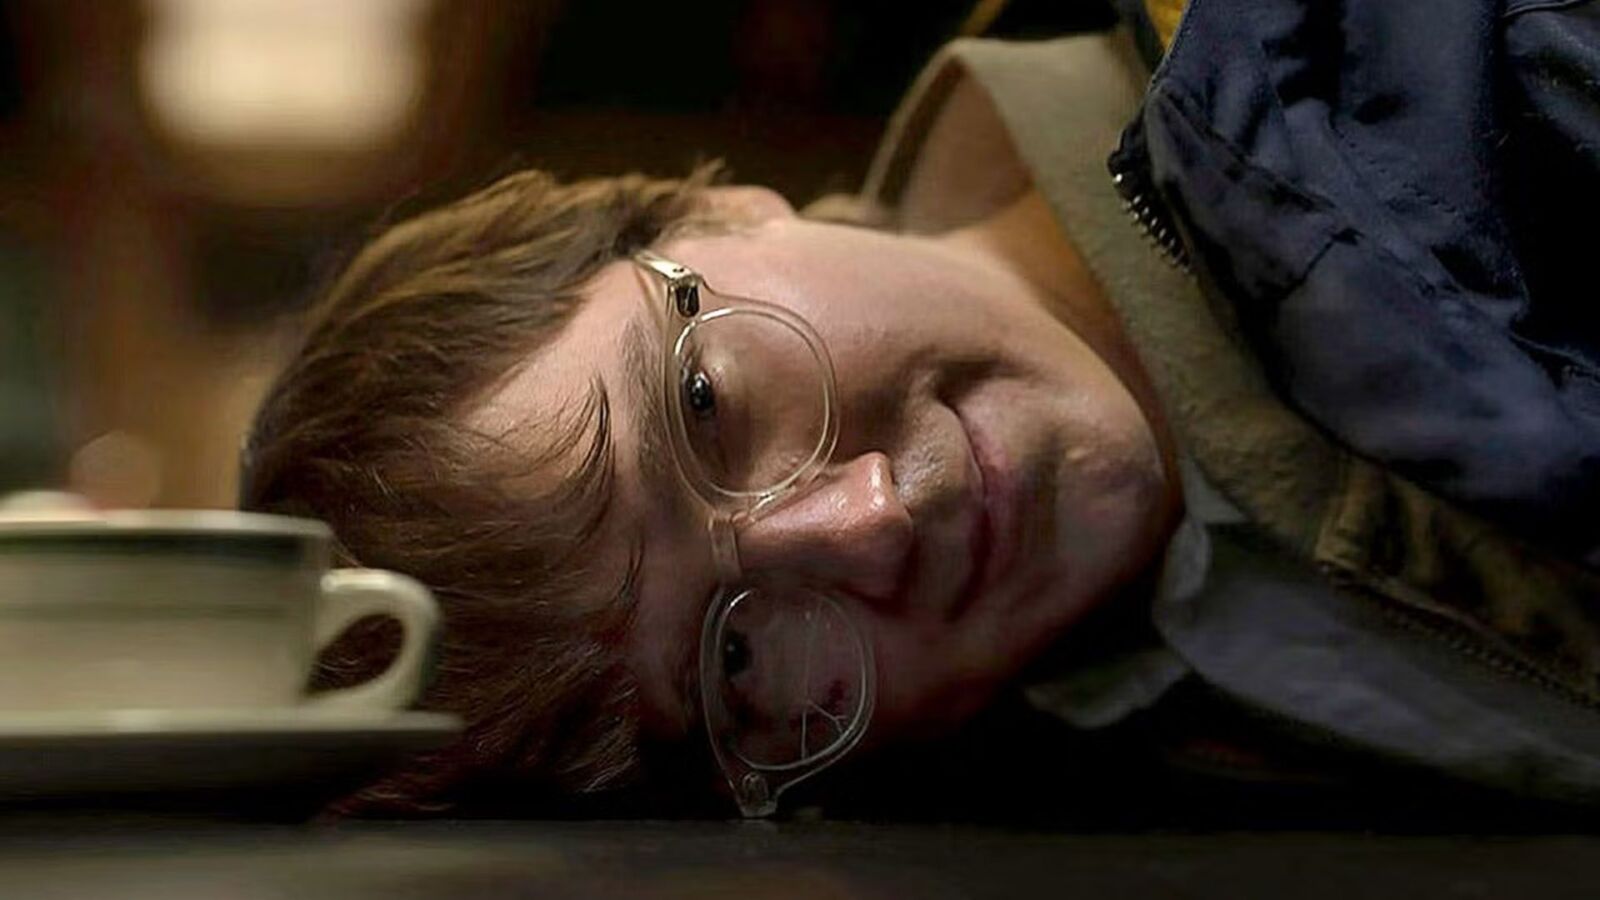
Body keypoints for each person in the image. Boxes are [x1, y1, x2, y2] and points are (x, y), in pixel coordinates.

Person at [242, 0, 1600, 819]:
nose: (869, 521)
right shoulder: (1080, 750)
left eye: (708, 406)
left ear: (719, 207)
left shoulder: (1448, 53)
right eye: (735, 663)